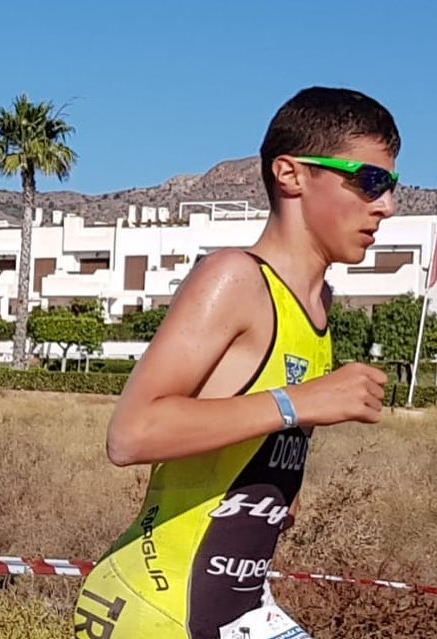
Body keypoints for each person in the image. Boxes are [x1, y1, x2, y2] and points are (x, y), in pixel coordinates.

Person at [73, 86, 399, 639]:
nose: (386, 205)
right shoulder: (235, 279)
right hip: (155, 609)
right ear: (291, 174)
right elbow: (130, 434)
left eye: (391, 186)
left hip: (237, 610)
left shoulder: (319, 303)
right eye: (369, 181)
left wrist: (272, 496)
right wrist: (298, 403)